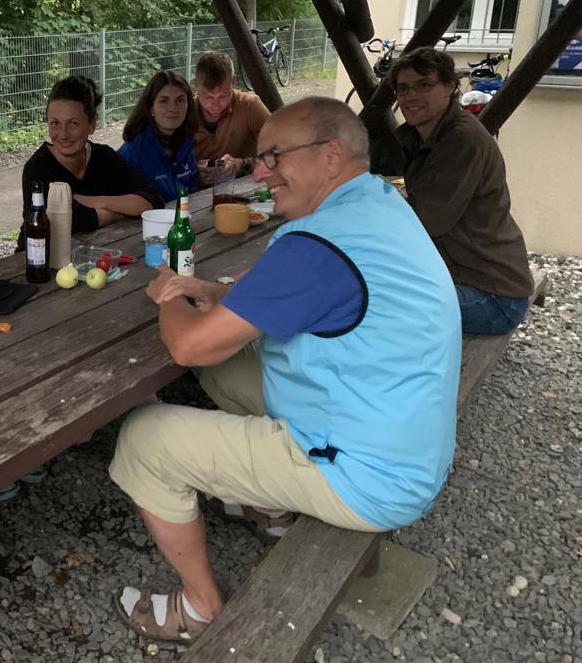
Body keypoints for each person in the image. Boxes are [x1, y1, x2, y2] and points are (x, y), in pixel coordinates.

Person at [108, 97, 461, 645]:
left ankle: (200, 607)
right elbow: (295, 291)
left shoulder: (317, 244)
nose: (261, 172)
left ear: (331, 155)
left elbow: (189, 347)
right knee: (230, 367)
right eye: (259, 158)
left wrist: (170, 294)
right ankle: (273, 509)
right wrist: (212, 291)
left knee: (144, 438)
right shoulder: (374, 204)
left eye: (274, 156)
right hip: (397, 434)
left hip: (369, 474)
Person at [390, 47, 533, 335]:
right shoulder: (426, 134)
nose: (411, 96)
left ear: (450, 86)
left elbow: (424, 223)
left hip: (493, 295)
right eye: (403, 89)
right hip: (466, 276)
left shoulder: (461, 140)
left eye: (423, 85)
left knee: (374, 306)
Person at [18, 75, 163, 245]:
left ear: (92, 124)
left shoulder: (104, 157)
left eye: (73, 124)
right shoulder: (37, 168)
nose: (63, 134)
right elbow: (63, 223)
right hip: (36, 262)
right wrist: (119, 211)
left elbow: (153, 200)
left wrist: (97, 201)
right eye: (55, 123)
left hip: (93, 253)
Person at [118, 70, 200, 202]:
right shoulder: (133, 154)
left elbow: (193, 191)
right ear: (151, 108)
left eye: (180, 100)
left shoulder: (185, 143)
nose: (173, 108)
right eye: (164, 101)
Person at [192, 50, 271, 185]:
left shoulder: (249, 106)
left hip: (242, 189)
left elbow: (283, 150)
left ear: (233, 81)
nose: (216, 105)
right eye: (208, 97)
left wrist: (242, 165)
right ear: (195, 84)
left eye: (223, 96)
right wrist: (191, 171)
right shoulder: (183, 113)